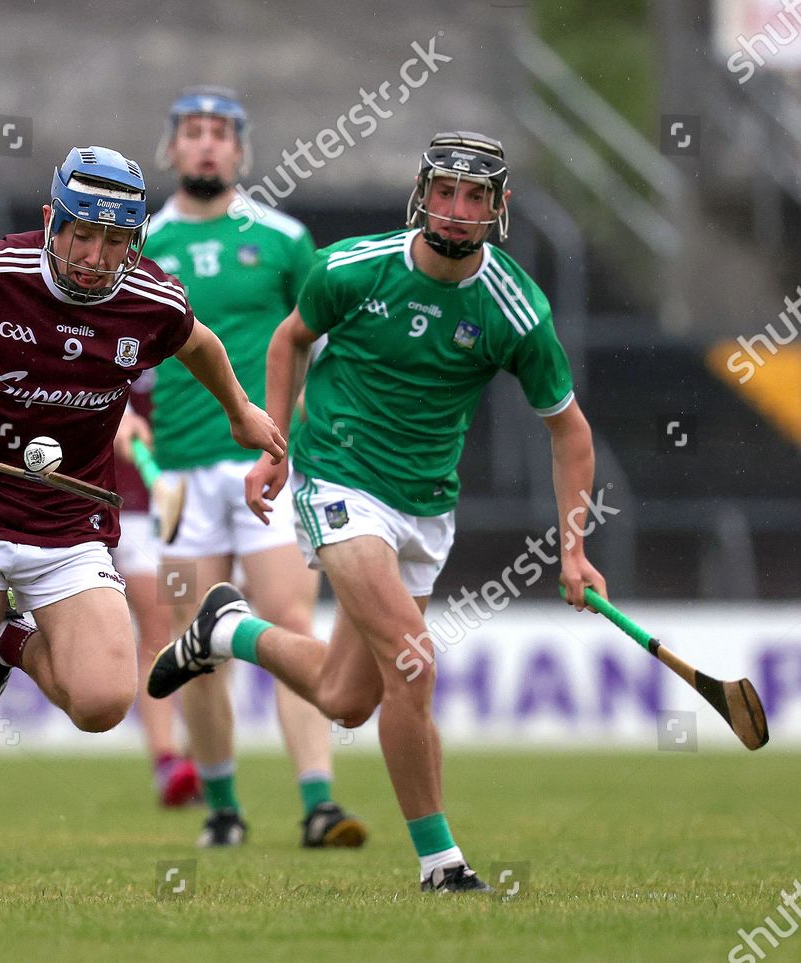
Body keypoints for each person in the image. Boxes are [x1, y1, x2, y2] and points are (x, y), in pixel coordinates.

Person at [149, 131, 605, 892]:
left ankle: (225, 629)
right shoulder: (353, 267)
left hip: (425, 505)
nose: (456, 213)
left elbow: (571, 431)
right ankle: (441, 862)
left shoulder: (515, 309)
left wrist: (574, 548)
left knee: (346, 696)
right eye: (445, 193)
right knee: (414, 662)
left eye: (475, 198)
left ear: (499, 209)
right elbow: (290, 339)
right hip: (337, 479)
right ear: (421, 194)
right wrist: (276, 445)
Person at [0, 145, 285, 903]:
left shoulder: (151, 300)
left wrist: (241, 411)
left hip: (69, 522)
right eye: (80, 234)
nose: (96, 256)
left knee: (103, 703)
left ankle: (12, 639)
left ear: (136, 241)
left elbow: (199, 342)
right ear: (50, 221)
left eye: (115, 240)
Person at [124, 86, 365, 849]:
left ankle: (319, 802)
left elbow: (322, 350)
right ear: (171, 148)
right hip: (183, 478)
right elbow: (115, 348)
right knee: (196, 642)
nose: (205, 146)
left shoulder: (287, 240)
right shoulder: (142, 242)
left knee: (293, 623)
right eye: (192, 132)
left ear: (241, 150)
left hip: (272, 467)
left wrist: (309, 437)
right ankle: (223, 809)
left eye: (220, 134)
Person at [110, 371, 201, 807]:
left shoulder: (190, 332)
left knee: (192, 627)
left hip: (191, 502)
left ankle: (201, 754)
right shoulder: (117, 326)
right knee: (159, 626)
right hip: (135, 508)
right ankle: (166, 759)